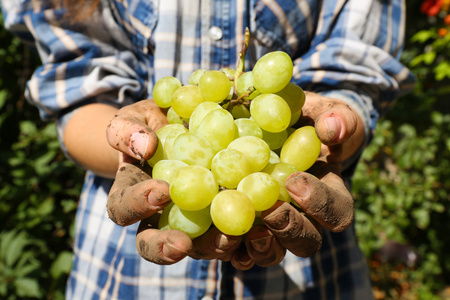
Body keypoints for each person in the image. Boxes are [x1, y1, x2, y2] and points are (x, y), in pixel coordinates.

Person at [1, 0, 415, 299]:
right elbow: (76, 94)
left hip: (311, 275)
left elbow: (356, 80)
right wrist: (130, 143)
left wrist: (336, 125)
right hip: (123, 277)